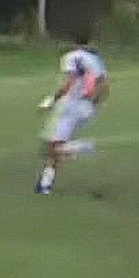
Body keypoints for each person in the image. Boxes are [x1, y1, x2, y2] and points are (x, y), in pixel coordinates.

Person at [35, 32, 109, 195]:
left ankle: (81, 147)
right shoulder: (96, 60)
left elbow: (69, 81)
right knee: (56, 146)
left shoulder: (71, 57)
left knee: (51, 147)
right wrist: (94, 105)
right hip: (86, 107)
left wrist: (52, 100)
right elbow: (104, 86)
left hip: (69, 105)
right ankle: (45, 184)